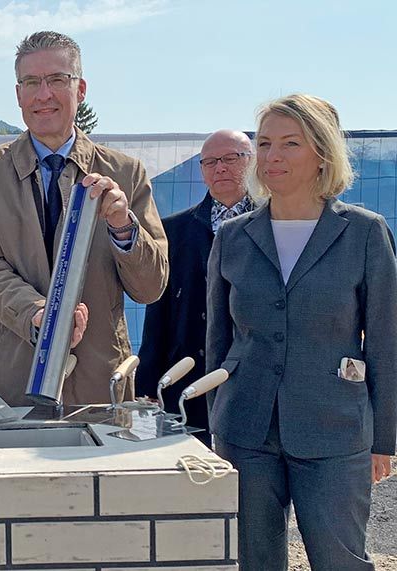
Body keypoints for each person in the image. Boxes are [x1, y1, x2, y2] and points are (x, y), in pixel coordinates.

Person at [206, 94, 396, 570]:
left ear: (323, 154)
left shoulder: (365, 233)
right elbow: (218, 341)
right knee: (253, 562)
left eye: (290, 143)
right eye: (265, 143)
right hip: (245, 430)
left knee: (341, 561)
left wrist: (385, 439)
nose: (273, 155)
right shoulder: (233, 236)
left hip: (335, 432)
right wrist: (215, 425)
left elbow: (388, 340)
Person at [0, 31, 168, 406]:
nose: (44, 95)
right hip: (7, 379)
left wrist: (124, 228)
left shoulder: (126, 173)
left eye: (57, 79)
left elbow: (151, 287)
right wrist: (42, 313)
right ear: (18, 93)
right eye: (31, 82)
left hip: (98, 382)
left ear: (81, 88)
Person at [137, 130, 254, 443]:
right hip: (186, 381)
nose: (221, 168)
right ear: (202, 172)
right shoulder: (174, 230)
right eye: (210, 162)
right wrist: (147, 385)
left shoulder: (273, 227)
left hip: (254, 384)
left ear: (252, 163)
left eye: (231, 159)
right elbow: (157, 313)